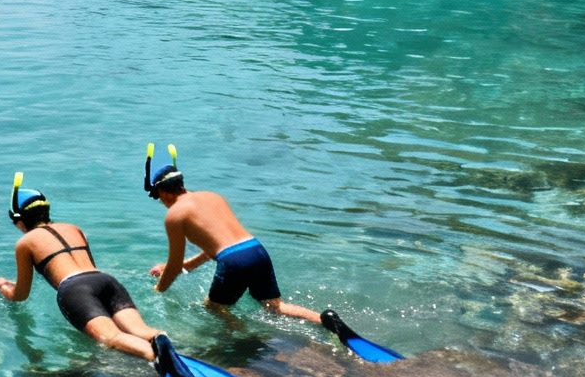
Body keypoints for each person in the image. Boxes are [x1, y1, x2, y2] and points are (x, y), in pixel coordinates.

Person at [0, 174, 249, 377]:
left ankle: (155, 358)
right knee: (141, 329)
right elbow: (82, 267)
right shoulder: (74, 228)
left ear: (20, 221)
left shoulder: (24, 243)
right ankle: (159, 340)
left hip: (74, 289)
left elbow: (21, 294)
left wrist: (3, 286)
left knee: (109, 337)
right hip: (105, 281)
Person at [143, 144, 402, 363]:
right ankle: (325, 320)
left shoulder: (174, 215)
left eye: (158, 197)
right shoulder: (212, 196)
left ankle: (248, 338)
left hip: (235, 261)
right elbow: (216, 248)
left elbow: (177, 266)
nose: (160, 202)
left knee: (213, 308)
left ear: (165, 191)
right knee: (274, 306)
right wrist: (175, 268)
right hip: (256, 249)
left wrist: (158, 291)